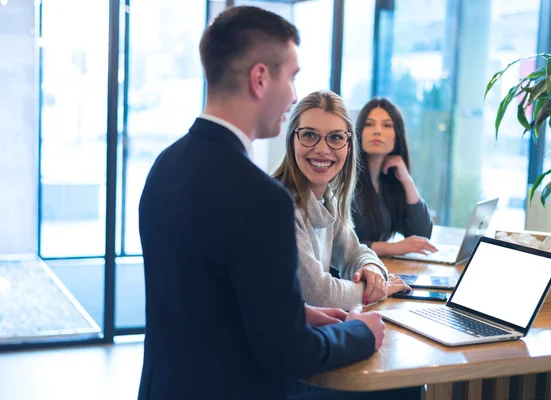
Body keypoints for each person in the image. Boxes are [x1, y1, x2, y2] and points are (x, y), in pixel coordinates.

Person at [137, 7, 387, 400]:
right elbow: (287, 353)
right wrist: (362, 332)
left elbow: (202, 298)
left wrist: (292, 313)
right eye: (292, 77)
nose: (291, 95)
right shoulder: (262, 198)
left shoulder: (164, 166)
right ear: (260, 79)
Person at [273, 91, 410, 311]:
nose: (322, 149)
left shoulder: (327, 200)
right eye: (309, 135)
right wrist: (376, 290)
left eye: (336, 137)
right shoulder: (280, 206)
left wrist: (372, 267)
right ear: (292, 140)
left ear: (348, 146)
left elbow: (355, 253)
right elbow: (321, 296)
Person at [352, 98, 436, 257]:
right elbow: (340, 246)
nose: (377, 131)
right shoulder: (346, 181)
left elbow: (422, 234)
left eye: (386, 125)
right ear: (359, 132)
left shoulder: (388, 183)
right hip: (347, 277)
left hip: (379, 271)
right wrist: (394, 248)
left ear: (397, 136)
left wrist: (407, 181)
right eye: (369, 124)